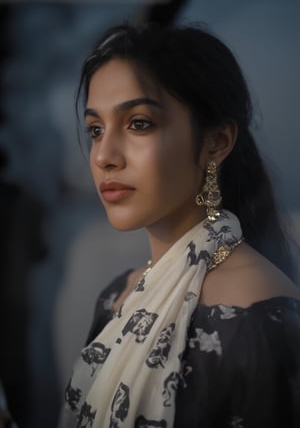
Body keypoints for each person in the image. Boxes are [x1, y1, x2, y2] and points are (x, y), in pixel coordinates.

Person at [58, 22, 300, 428]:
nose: (104, 156)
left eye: (138, 123)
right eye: (96, 130)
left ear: (216, 142)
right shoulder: (119, 297)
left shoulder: (259, 318)